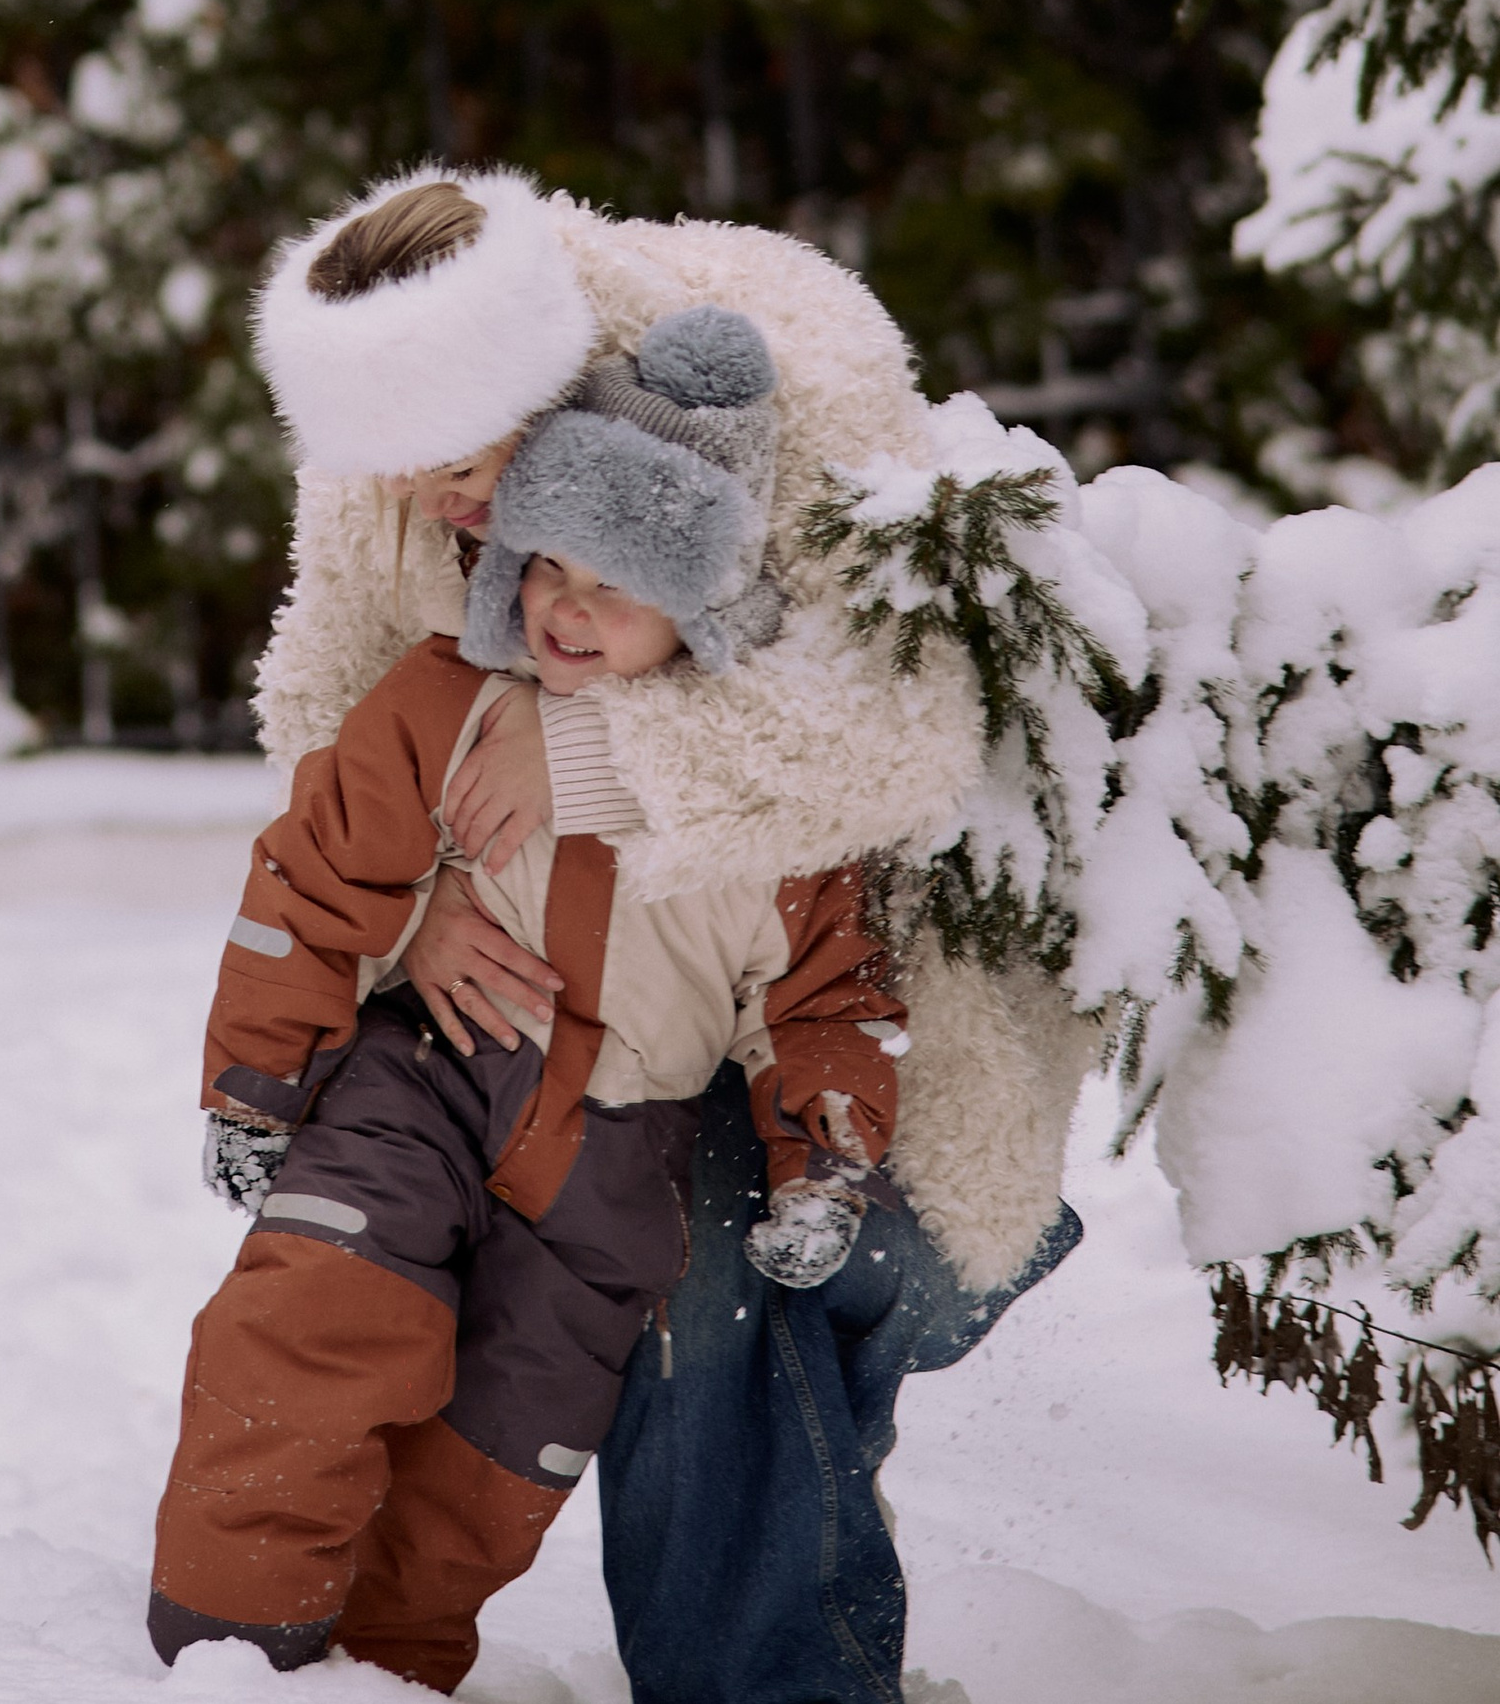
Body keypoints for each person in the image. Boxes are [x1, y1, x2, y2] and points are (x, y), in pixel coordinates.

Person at [236, 167, 1089, 1703]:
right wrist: (416, 908)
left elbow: (907, 726)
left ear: (537, 375)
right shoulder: (397, 448)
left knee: (713, 1287)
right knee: (395, 1254)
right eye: (397, 466)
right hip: (543, 984)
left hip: (833, 977)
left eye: (459, 459)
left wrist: (592, 760)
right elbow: (323, 695)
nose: (432, 501)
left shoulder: (800, 354)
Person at [148, 309, 911, 1688]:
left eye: (612, 583)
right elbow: (314, 878)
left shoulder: (769, 808)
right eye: (546, 562)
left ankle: (384, 1669)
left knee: (502, 1451)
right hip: (421, 1080)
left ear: (706, 605)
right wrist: (256, 1081)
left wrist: (822, 1162)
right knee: (310, 1317)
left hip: (616, 1163)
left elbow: (824, 1002)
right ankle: (229, 1649)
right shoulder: (444, 704)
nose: (562, 604)